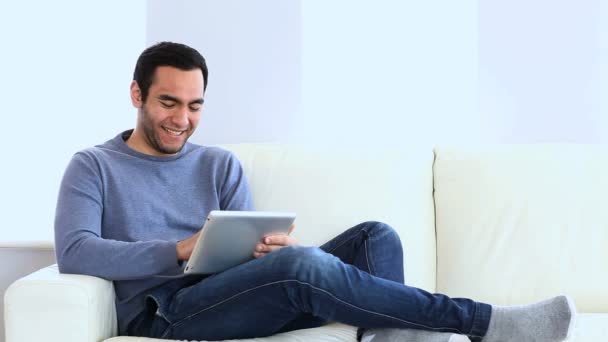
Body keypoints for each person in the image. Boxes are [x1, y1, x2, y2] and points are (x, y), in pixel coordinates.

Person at [54, 42, 575, 342]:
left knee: (377, 237)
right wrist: (178, 250)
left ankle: (390, 333)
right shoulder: (94, 165)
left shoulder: (218, 163)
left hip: (229, 292)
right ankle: (485, 322)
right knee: (301, 267)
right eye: (169, 102)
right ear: (136, 94)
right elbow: (75, 253)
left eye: (195, 106)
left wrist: (261, 249)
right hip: (165, 310)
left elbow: (241, 256)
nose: (183, 119)